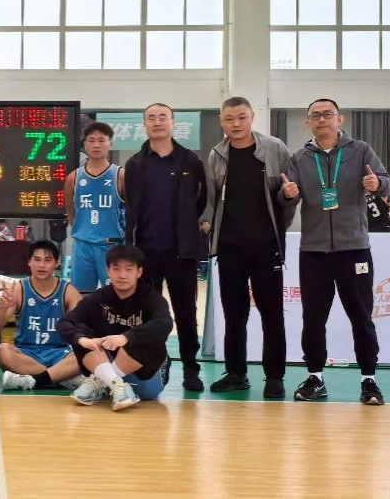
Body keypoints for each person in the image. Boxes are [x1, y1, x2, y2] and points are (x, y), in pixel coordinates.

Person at [280, 98, 389, 405]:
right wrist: (287, 194)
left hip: (354, 249)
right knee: (313, 318)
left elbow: (385, 183)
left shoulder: (361, 150)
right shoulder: (300, 157)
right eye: (315, 115)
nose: (321, 119)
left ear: (339, 119)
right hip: (313, 251)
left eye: (327, 114)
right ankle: (315, 377)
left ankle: (369, 380)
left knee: (361, 316)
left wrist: (376, 183)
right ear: (308, 123)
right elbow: (286, 198)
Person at [205, 97, 294, 398]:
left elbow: (288, 195)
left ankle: (275, 377)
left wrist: (288, 200)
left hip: (267, 246)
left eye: (241, 117)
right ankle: (236, 373)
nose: (236, 124)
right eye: (229, 119)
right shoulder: (217, 154)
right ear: (222, 121)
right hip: (230, 247)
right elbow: (212, 201)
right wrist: (207, 228)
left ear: (252, 117)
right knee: (234, 313)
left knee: (272, 313)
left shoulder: (275, 148)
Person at [122, 103, 207, 392]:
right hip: (146, 252)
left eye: (163, 117)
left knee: (186, 313)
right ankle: (154, 364)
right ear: (144, 125)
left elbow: (200, 200)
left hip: (182, 252)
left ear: (173, 122)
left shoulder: (190, 160)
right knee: (149, 314)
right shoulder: (135, 163)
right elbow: (131, 204)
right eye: (151, 118)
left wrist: (186, 228)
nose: (157, 122)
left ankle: (191, 369)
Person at [57, 245, 173, 411]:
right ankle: (116, 386)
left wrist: (126, 337)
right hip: (109, 367)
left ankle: (101, 381)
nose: (122, 275)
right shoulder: (98, 298)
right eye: (116, 269)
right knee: (81, 334)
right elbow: (65, 323)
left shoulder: (152, 298)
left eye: (129, 269)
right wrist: (81, 339)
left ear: (139, 272)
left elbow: (165, 324)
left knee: (148, 334)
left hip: (144, 375)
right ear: (108, 271)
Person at [0, 240, 84, 391]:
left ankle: (33, 380)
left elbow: (82, 326)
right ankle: (60, 378)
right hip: (26, 354)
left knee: (85, 353)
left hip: (60, 354)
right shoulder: (19, 289)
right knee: (2, 351)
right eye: (37, 260)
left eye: (47, 260)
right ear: (29, 262)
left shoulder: (68, 290)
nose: (42, 265)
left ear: (57, 263)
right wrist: (2, 308)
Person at [64, 121, 125, 293]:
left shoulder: (120, 175)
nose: (96, 145)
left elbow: (131, 212)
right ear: (85, 145)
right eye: (91, 140)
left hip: (111, 246)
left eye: (101, 140)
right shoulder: (73, 178)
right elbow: (71, 213)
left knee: (115, 297)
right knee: (80, 298)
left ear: (110, 144)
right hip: (82, 245)